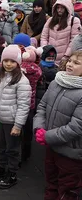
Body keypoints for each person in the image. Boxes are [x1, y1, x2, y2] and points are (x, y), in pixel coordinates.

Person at [33, 50, 82, 199]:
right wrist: (39, 127)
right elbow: (42, 106)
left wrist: (48, 136)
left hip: (70, 153)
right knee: (51, 183)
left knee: (68, 189)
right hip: (51, 147)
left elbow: (76, 126)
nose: (70, 65)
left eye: (76, 63)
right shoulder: (56, 82)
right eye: (70, 61)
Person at [0, 45, 31, 189]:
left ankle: (11, 173)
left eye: (12, 61)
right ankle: (0, 167)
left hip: (12, 121)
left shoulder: (22, 81)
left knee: (12, 149)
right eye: (6, 61)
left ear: (18, 62)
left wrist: (18, 125)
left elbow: (24, 105)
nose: (8, 64)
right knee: (0, 145)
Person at [40, 0, 81, 67]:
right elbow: (44, 37)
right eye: (58, 7)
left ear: (68, 8)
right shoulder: (50, 20)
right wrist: (45, 50)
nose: (59, 10)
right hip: (49, 58)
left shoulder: (74, 21)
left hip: (64, 60)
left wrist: (66, 56)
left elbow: (74, 41)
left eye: (62, 8)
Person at [19, 46, 42, 162]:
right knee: (27, 130)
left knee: (17, 127)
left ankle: (17, 153)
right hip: (30, 103)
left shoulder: (20, 69)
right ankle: (26, 153)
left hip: (19, 102)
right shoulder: (38, 70)